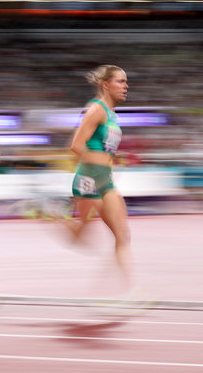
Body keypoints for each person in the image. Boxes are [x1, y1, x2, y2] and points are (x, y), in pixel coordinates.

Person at [61, 65, 136, 297]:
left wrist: (114, 158)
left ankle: (128, 291)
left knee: (122, 234)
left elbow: (102, 146)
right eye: (121, 82)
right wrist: (100, 163)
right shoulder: (96, 109)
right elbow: (75, 146)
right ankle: (50, 215)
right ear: (106, 85)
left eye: (126, 82)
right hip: (89, 177)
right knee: (81, 235)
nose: (126, 86)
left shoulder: (112, 114)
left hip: (105, 179)